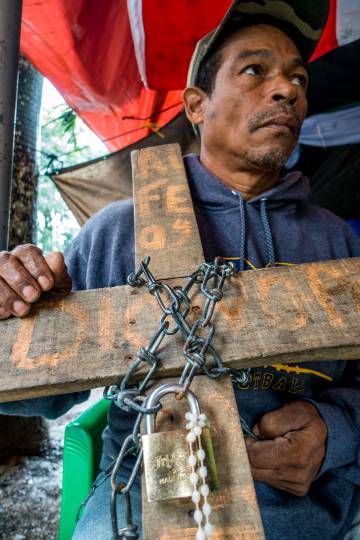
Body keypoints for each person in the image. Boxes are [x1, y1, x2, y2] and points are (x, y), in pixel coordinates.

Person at [1, 1, 360, 538]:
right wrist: (13, 306)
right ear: (196, 104)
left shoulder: (336, 240)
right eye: (255, 70)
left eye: (298, 78)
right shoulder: (120, 229)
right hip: (143, 509)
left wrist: (334, 432)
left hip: (304, 514)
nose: (287, 90)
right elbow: (38, 393)